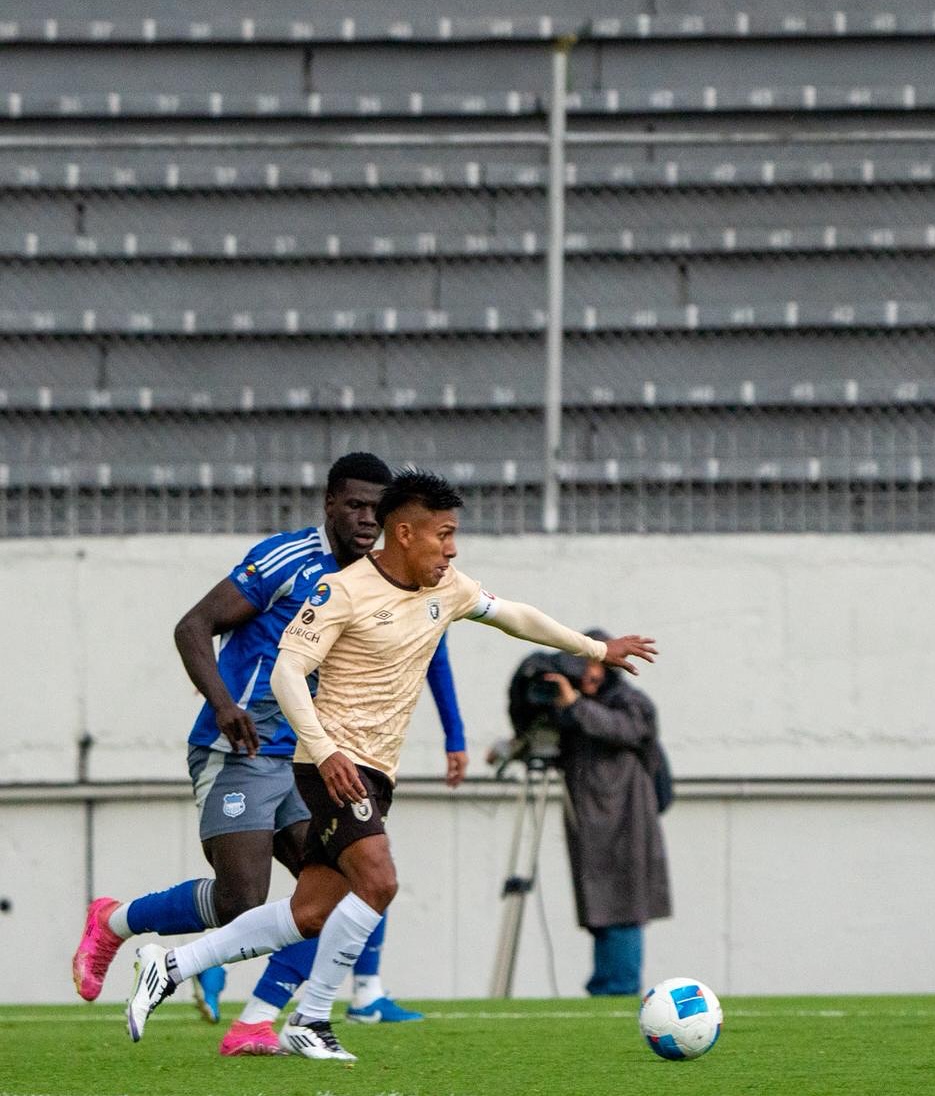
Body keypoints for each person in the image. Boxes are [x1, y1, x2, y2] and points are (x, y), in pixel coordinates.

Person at [125, 468, 659, 1062]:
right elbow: (285, 673)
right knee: (377, 881)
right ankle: (312, 1016)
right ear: (404, 534)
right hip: (332, 765)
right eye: (444, 535)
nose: (452, 550)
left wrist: (595, 650)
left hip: (378, 770)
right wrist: (325, 752)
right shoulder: (343, 591)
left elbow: (512, 614)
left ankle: (173, 963)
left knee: (310, 910)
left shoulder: (446, 587)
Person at [72, 452, 467, 1048]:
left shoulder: (382, 580)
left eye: (376, 509)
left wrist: (453, 736)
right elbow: (193, 625)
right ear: (330, 503)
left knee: (339, 892)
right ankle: (113, 921)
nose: (366, 519)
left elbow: (430, 648)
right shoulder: (288, 559)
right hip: (242, 747)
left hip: (311, 758)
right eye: (354, 505)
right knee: (241, 897)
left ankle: (258, 1019)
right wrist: (226, 704)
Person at [542, 631, 671, 996]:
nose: (588, 675)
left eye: (593, 664)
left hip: (628, 822)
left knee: (624, 909)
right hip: (590, 825)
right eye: (580, 665)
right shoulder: (576, 703)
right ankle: (607, 986)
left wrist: (575, 706)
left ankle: (617, 987)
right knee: (602, 912)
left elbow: (625, 730)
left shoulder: (629, 701)